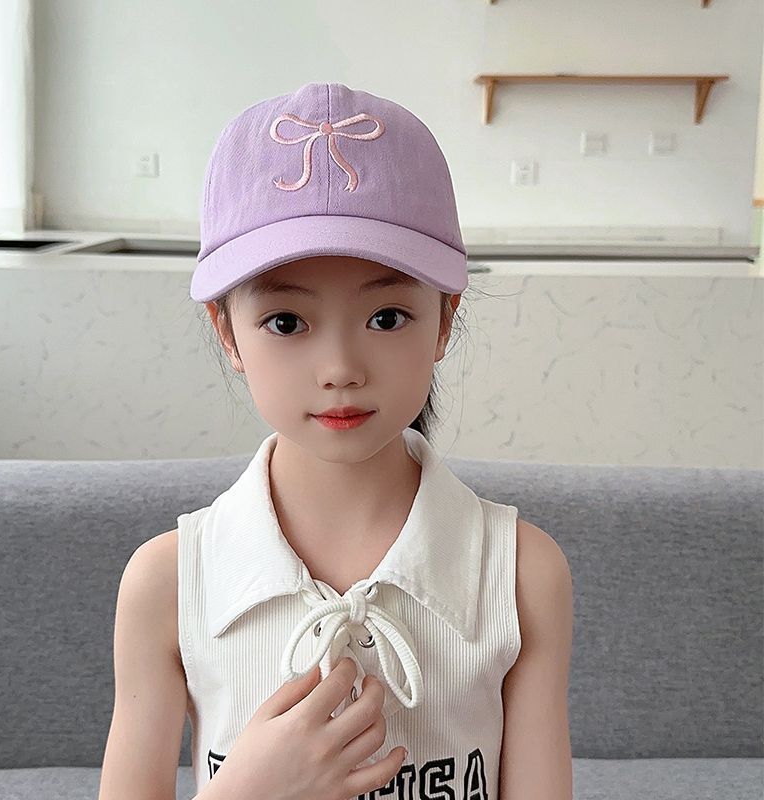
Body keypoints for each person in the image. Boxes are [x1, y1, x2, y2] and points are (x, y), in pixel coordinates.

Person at [99, 82, 573, 800]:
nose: (341, 369)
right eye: (287, 322)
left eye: (387, 317)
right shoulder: (167, 584)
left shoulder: (520, 574)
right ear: (228, 333)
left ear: (445, 321)